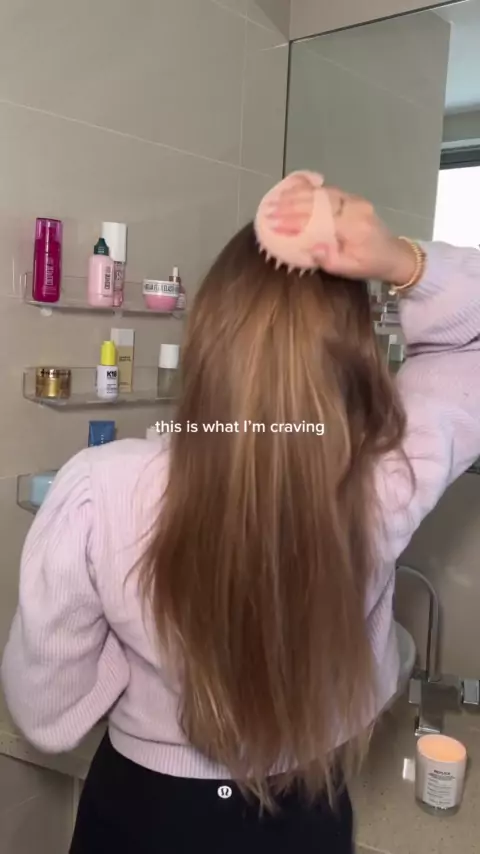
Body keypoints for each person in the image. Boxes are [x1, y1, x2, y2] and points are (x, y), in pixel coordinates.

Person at [2, 177, 480, 854]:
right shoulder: (384, 482)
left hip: (139, 814)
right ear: (355, 355)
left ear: (209, 338)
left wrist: (137, 655)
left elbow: (47, 715)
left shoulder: (101, 489)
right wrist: (401, 261)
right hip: (307, 815)